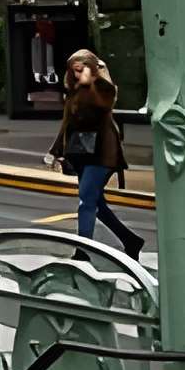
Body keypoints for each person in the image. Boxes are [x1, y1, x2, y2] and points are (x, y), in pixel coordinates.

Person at [47, 48, 143, 258]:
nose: (76, 74)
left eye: (81, 69)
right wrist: (55, 150)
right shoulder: (74, 91)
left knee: (86, 202)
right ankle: (130, 240)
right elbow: (67, 122)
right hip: (81, 154)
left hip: (103, 153)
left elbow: (101, 107)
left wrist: (89, 82)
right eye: (73, 70)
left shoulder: (104, 88)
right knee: (96, 202)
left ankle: (83, 252)